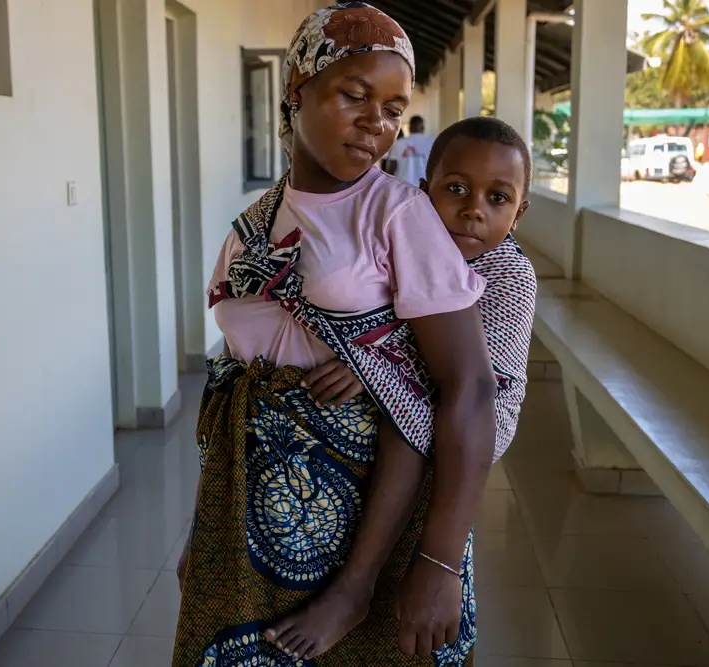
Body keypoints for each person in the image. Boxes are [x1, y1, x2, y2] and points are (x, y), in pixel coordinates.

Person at [173, 3, 496, 666]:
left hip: (362, 517)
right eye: (355, 95)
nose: (376, 124)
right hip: (250, 513)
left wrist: (438, 562)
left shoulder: (395, 213)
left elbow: (468, 386)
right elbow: (233, 384)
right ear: (297, 89)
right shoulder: (252, 225)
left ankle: (353, 591)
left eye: (393, 108)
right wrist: (201, 529)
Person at [266, 116, 537, 659]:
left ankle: (356, 586)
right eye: (455, 188)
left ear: (519, 212)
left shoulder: (509, 273)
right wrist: (375, 357)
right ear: (423, 191)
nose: (473, 208)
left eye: (497, 197)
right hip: (425, 391)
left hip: (481, 411)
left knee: (403, 428)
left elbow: (470, 377)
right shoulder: (406, 242)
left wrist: (371, 365)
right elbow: (386, 317)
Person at [386, 115, 434, 185]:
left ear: (410, 128)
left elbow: (392, 169)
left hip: (402, 186)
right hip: (424, 186)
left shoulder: (399, 143)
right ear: (423, 127)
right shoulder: (432, 142)